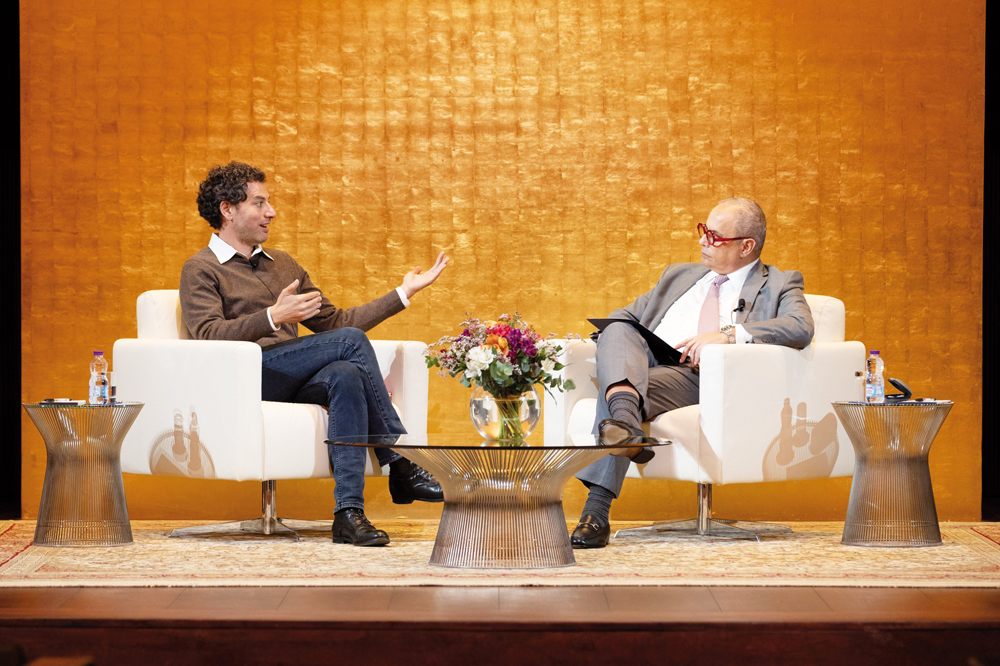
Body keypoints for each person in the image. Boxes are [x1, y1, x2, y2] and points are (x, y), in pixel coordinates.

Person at [180, 161, 450, 547]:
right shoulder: (201, 268)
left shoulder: (283, 264)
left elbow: (335, 321)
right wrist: (273, 316)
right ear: (228, 209)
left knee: (347, 374)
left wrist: (403, 293)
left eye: (268, 203)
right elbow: (209, 335)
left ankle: (348, 514)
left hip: (291, 375)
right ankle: (400, 461)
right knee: (350, 342)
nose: (270, 212)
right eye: (259, 203)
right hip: (244, 377)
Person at [571, 198, 815, 548]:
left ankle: (597, 509)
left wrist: (729, 335)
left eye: (714, 236)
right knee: (618, 328)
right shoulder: (680, 276)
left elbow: (799, 326)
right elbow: (625, 317)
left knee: (618, 390)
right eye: (703, 231)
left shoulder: (779, 282)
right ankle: (625, 425)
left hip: (705, 378)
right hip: (648, 366)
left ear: (746, 246)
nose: (702, 241)